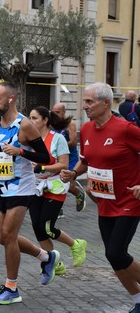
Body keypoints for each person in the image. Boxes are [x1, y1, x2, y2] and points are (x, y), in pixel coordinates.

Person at [61, 82, 140, 313]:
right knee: (113, 257)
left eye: (89, 102)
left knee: (116, 252)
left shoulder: (125, 129)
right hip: (104, 201)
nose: (84, 106)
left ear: (106, 103)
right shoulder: (86, 130)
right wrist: (74, 172)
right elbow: (85, 161)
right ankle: (137, 301)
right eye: (84, 101)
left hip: (129, 201)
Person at [0, 82, 60, 305]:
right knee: (3, 238)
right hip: (1, 186)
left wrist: (21, 151)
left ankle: (12, 288)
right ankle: (46, 257)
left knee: (8, 235)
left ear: (11, 99)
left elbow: (46, 158)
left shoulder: (24, 125)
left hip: (21, 187)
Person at [27, 106, 87, 277]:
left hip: (55, 186)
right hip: (35, 187)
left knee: (48, 228)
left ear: (45, 120)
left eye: (34, 118)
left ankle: (76, 244)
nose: (31, 122)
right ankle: (55, 263)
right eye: (29, 118)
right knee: (38, 229)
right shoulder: (28, 140)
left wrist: (42, 167)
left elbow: (63, 164)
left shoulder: (57, 139)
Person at [51, 103, 86, 213]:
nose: (54, 114)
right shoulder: (52, 123)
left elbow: (73, 142)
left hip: (71, 158)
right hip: (58, 158)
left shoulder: (70, 123)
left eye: (57, 112)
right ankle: (57, 209)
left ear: (63, 113)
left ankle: (79, 193)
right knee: (55, 182)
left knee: (69, 185)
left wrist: (58, 144)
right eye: (53, 112)